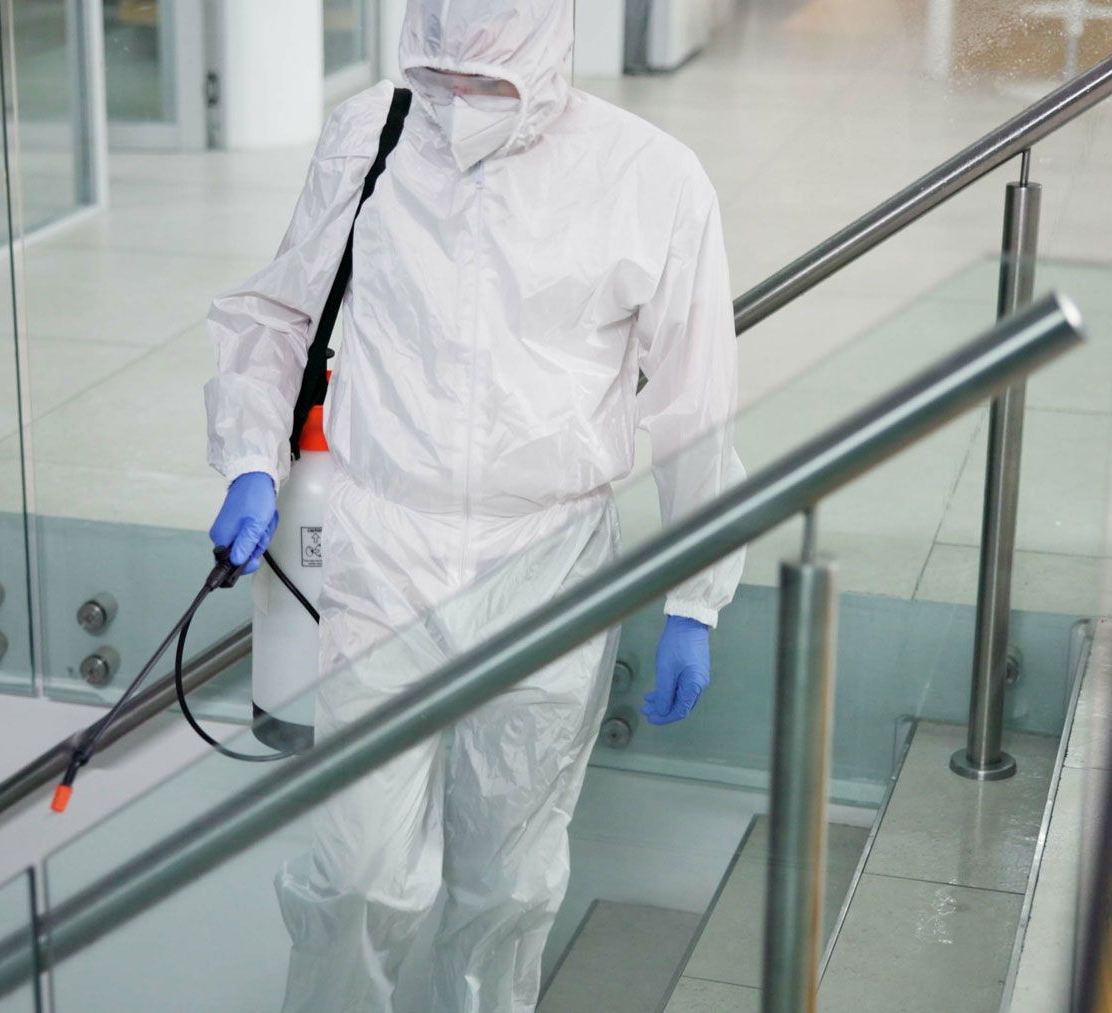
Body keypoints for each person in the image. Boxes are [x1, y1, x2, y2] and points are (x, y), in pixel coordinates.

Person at [203, 1, 744, 1008]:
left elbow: (694, 405)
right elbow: (278, 312)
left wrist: (695, 596)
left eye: (486, 76)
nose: (458, 99)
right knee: (354, 874)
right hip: (382, 549)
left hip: (547, 562)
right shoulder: (371, 134)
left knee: (509, 881)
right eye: (440, 70)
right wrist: (248, 458)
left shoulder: (651, 178)